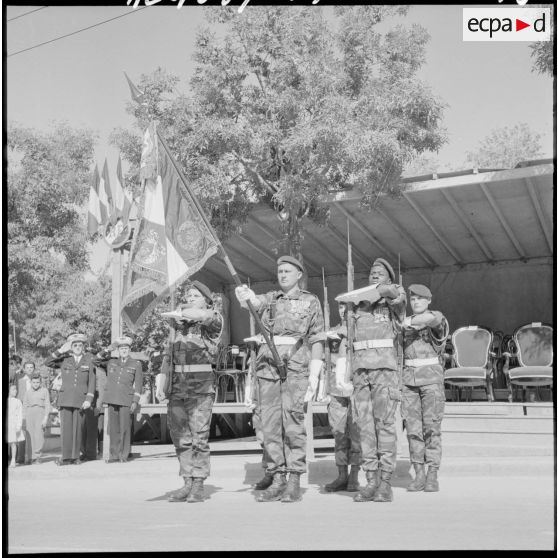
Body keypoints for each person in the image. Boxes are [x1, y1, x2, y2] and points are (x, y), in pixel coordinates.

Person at [235, 255, 324, 503]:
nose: (282, 275)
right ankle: (277, 477)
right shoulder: (271, 298)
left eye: (287, 271)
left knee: (293, 423)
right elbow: (251, 302)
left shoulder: (309, 301)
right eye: (280, 271)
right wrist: (244, 295)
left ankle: (294, 478)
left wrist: (316, 372)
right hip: (268, 368)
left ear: (299, 275)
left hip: (295, 369)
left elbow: (317, 338)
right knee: (270, 425)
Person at [157, 281, 223, 504]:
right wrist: (161, 381)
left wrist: (184, 311)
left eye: (195, 295)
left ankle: (198, 483)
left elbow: (204, 316)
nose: (190, 298)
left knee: (199, 438)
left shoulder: (211, 319)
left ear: (205, 300)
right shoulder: (178, 324)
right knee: (180, 437)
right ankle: (187, 480)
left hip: (201, 389)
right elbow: (169, 354)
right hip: (177, 387)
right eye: (188, 295)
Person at [350, 258, 406, 503]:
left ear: (389, 278)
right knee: (365, 427)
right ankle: (370, 479)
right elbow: (349, 335)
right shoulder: (358, 303)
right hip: (361, 371)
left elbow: (398, 298)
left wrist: (384, 290)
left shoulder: (394, 297)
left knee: (384, 425)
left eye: (380, 273)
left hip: (384, 370)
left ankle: (385, 482)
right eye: (372, 272)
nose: (374, 275)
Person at [401, 284, 449, 493]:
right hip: (409, 383)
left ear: (429, 300)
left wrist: (407, 321)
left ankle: (432, 474)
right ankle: (419, 473)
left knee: (431, 429)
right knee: (413, 431)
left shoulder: (436, 319)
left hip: (431, 382)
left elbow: (433, 319)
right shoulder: (405, 325)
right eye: (413, 299)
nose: (416, 302)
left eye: (421, 298)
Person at [323, 302, 361, 492]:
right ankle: (341, 475)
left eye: (347, 306)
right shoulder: (331, 331)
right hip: (335, 387)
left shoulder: (360, 328)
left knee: (356, 431)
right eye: (339, 307)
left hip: (355, 384)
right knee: (338, 431)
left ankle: (354, 475)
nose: (343, 310)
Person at [44, 333, 96, 465]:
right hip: (66, 398)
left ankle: (75, 457)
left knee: (78, 429)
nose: (78, 347)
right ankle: (66, 457)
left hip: (80, 399)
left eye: (80, 345)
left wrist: (88, 399)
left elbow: (92, 382)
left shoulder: (89, 360)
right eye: (75, 345)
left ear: (83, 346)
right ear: (71, 347)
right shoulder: (65, 359)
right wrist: (61, 350)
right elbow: (47, 362)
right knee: (66, 430)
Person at [96, 337, 143, 463]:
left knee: (125, 428)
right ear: (118, 350)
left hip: (126, 399)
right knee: (113, 428)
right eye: (121, 348)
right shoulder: (111, 362)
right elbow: (95, 360)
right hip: (112, 398)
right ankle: (114, 455)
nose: (124, 350)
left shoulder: (136, 364)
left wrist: (135, 401)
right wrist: (107, 349)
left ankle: (123, 455)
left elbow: (138, 385)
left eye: (126, 348)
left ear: (129, 349)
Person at [22, 373, 51, 464]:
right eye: (34, 382)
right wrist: (24, 419)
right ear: (31, 382)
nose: (35, 384)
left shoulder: (44, 391)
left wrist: (45, 418)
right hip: (30, 413)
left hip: (40, 412)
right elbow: (24, 406)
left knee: (39, 435)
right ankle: (30, 457)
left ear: (40, 382)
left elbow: (47, 404)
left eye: (37, 382)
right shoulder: (28, 392)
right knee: (29, 435)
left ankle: (37, 456)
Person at [7, 384, 25, 467]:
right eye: (13, 389)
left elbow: (20, 414)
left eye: (16, 389)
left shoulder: (17, 401)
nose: (16, 391)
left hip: (13, 424)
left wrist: (19, 425)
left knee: (13, 442)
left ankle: (13, 460)